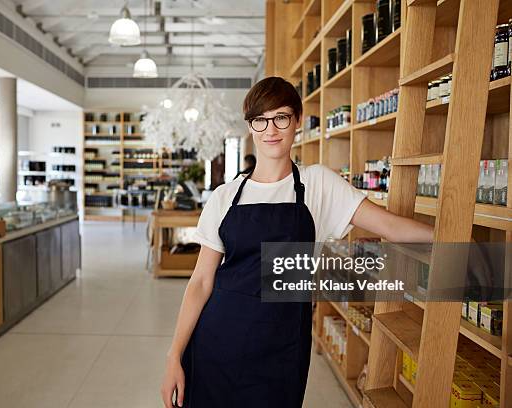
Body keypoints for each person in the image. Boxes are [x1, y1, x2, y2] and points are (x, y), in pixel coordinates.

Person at [161, 76, 433, 408]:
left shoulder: (318, 184)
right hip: (218, 339)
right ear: (250, 126)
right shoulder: (225, 196)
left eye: (281, 117)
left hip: (282, 347)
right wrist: (174, 355)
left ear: (298, 121)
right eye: (260, 120)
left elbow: (391, 227)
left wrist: (456, 238)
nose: (270, 129)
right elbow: (201, 282)